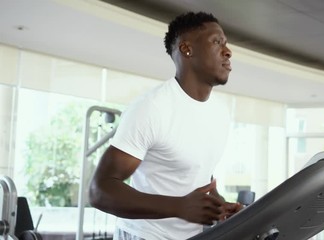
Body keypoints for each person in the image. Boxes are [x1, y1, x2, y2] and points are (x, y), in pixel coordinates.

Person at [89, 11, 242, 240]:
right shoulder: (152, 108)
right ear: (186, 49)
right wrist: (179, 207)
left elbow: (196, 179)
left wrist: (219, 206)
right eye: (217, 42)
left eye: (226, 44)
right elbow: (100, 190)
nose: (228, 51)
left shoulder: (220, 112)